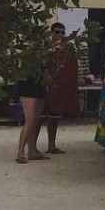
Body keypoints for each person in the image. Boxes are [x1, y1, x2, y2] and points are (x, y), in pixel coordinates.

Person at [39, 22, 80, 153]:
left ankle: (51, 145)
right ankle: (32, 148)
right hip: (43, 88)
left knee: (54, 119)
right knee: (36, 120)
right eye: (57, 32)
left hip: (57, 90)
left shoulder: (67, 49)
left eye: (62, 32)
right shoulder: (44, 48)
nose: (60, 35)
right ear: (51, 33)